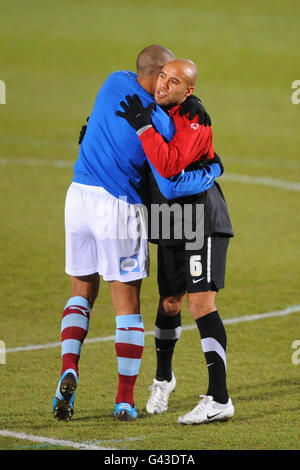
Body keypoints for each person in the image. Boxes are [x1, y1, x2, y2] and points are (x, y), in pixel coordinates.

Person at [52, 46, 223, 422]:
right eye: (166, 75)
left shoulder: (113, 81)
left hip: (77, 197)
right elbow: (172, 181)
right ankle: (125, 400)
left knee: (80, 293)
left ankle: (69, 366)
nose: (166, 83)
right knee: (127, 309)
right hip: (116, 207)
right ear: (160, 73)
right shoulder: (159, 122)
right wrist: (213, 170)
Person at [118, 59, 234, 424]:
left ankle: (219, 398)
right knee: (169, 302)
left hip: (201, 218)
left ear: (189, 90)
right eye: (163, 77)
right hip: (169, 217)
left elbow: (168, 165)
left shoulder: (194, 114)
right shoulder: (150, 106)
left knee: (201, 304)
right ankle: (163, 379)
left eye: (175, 81)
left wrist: (141, 127)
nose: (164, 85)